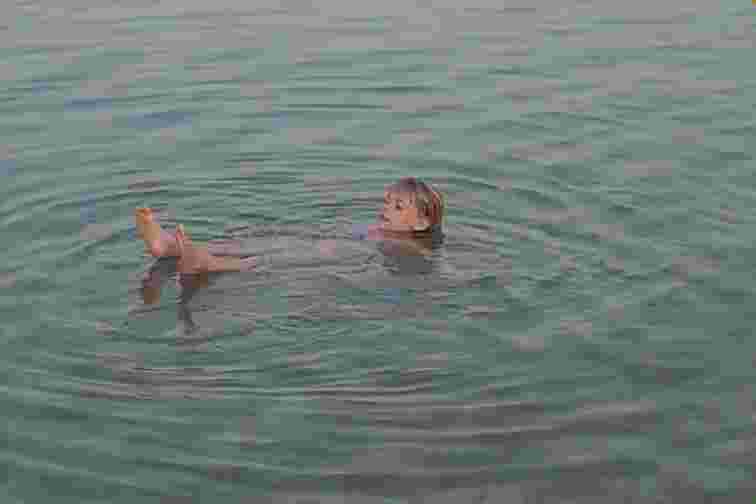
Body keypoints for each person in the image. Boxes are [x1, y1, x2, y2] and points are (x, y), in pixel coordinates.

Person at [134, 177, 445, 274]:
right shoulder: (375, 228)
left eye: (398, 206)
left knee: (272, 259)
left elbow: (428, 261)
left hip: (338, 254)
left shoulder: (407, 244)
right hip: (323, 243)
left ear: (421, 222)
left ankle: (208, 264)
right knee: (253, 244)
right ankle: (168, 246)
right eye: (387, 201)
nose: (386, 208)